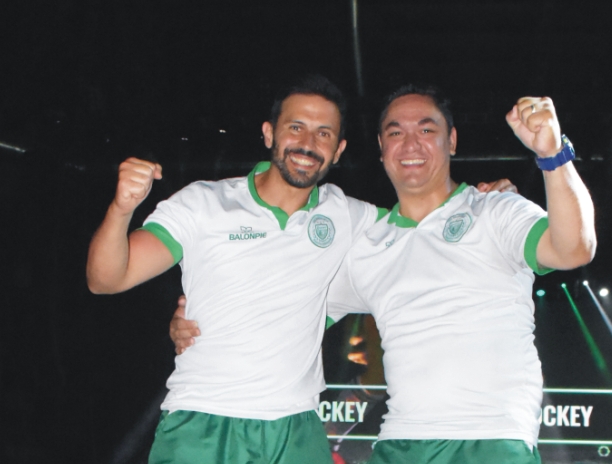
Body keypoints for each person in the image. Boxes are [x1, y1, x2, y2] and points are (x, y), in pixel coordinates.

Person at [87, 75, 514, 464]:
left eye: (323, 133)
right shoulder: (203, 203)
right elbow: (106, 279)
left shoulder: (351, 217)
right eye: (296, 127)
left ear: (338, 150)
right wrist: (122, 208)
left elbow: (429, 229)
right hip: (204, 421)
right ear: (269, 133)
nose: (308, 143)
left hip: (297, 431)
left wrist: (486, 199)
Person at [173, 84, 596, 464]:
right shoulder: (368, 244)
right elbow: (285, 314)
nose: (410, 143)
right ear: (380, 147)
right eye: (395, 132)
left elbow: (575, 248)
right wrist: (197, 323)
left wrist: (552, 155)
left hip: (490, 442)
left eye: (426, 129)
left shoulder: (496, 210)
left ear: (451, 140)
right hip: (399, 444)